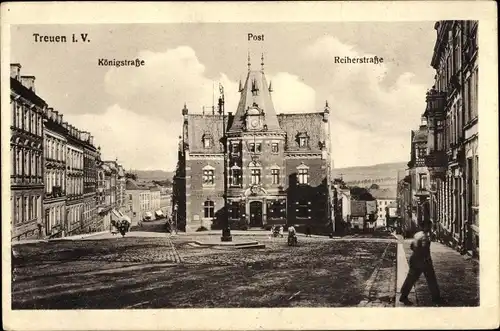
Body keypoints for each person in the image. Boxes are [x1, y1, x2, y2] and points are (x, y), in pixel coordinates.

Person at [399, 228, 441, 306]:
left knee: (410, 279)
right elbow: (424, 250)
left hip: (414, 259)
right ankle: (436, 298)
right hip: (423, 261)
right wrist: (426, 260)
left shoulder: (417, 234)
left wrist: (416, 252)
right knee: (431, 279)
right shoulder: (425, 237)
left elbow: (411, 246)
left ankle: (403, 296)